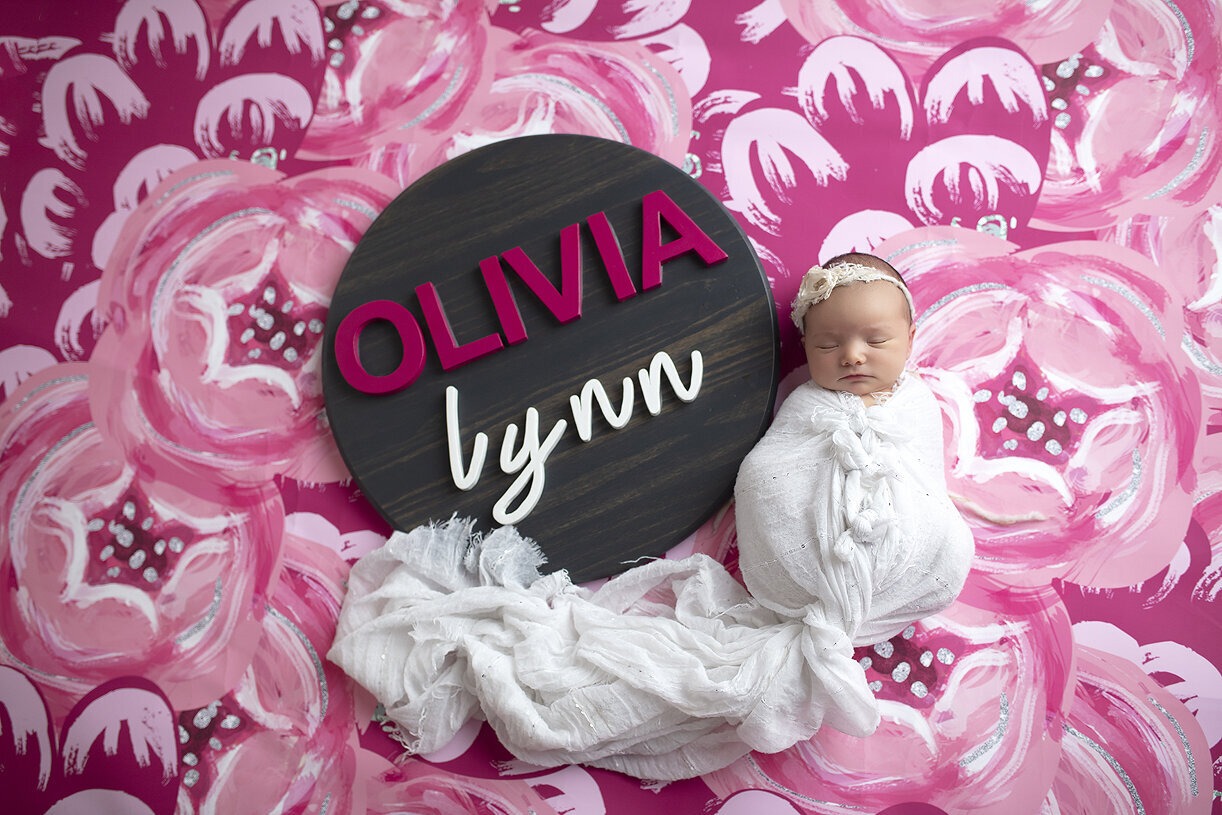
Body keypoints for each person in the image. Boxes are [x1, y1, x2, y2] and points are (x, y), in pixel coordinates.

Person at [328, 253, 974, 781]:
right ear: (806, 346)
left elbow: (921, 473)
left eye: (876, 340)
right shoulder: (805, 406)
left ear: (910, 341)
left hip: (894, 576)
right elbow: (773, 471)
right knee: (765, 481)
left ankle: (865, 588)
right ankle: (820, 587)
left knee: (941, 536)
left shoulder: (916, 406)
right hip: (801, 576)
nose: (853, 356)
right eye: (830, 344)